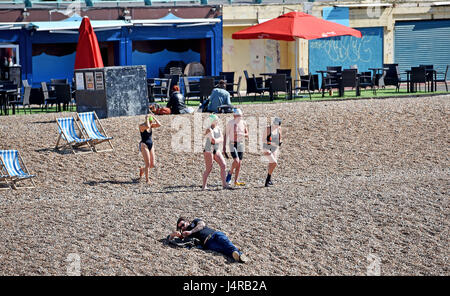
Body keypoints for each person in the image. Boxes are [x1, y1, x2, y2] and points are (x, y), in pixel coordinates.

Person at [169, 217, 248, 263]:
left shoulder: (195, 221)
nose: (182, 227)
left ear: (187, 221)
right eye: (180, 227)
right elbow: (170, 239)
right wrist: (173, 234)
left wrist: (191, 232)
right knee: (222, 250)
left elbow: (202, 225)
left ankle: (238, 253)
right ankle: (239, 255)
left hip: (214, 234)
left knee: (225, 242)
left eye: (183, 225)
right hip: (208, 243)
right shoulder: (184, 233)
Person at [202, 114, 230, 190]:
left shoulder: (217, 128)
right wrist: (219, 140)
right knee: (209, 169)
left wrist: (218, 140)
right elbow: (213, 140)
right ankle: (204, 186)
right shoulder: (209, 129)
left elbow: (221, 138)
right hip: (209, 150)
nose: (217, 121)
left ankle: (224, 185)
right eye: (216, 120)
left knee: (223, 165)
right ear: (212, 121)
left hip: (216, 149)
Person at [223, 108, 248, 186]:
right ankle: (230, 173)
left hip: (240, 144)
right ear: (234, 116)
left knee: (239, 163)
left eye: (240, 116)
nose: (239, 117)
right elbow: (226, 134)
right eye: (238, 116)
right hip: (232, 143)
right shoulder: (230, 123)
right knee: (236, 161)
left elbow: (247, 134)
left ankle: (236, 181)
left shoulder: (243, 123)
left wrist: (242, 134)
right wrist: (223, 146)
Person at [139, 114, 161, 184]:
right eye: (150, 121)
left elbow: (159, 124)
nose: (151, 123)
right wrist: (147, 118)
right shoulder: (141, 126)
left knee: (152, 164)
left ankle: (143, 169)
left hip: (151, 144)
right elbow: (147, 126)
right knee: (148, 164)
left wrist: (154, 117)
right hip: (144, 144)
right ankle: (147, 180)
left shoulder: (150, 125)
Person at [263, 117, 282, 187]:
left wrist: (280, 142)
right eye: (275, 124)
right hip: (267, 147)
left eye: (277, 125)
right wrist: (271, 143)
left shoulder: (279, 128)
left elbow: (280, 137)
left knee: (272, 164)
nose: (276, 126)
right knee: (274, 163)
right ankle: (267, 180)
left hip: (275, 148)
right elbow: (263, 140)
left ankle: (269, 179)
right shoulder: (268, 129)